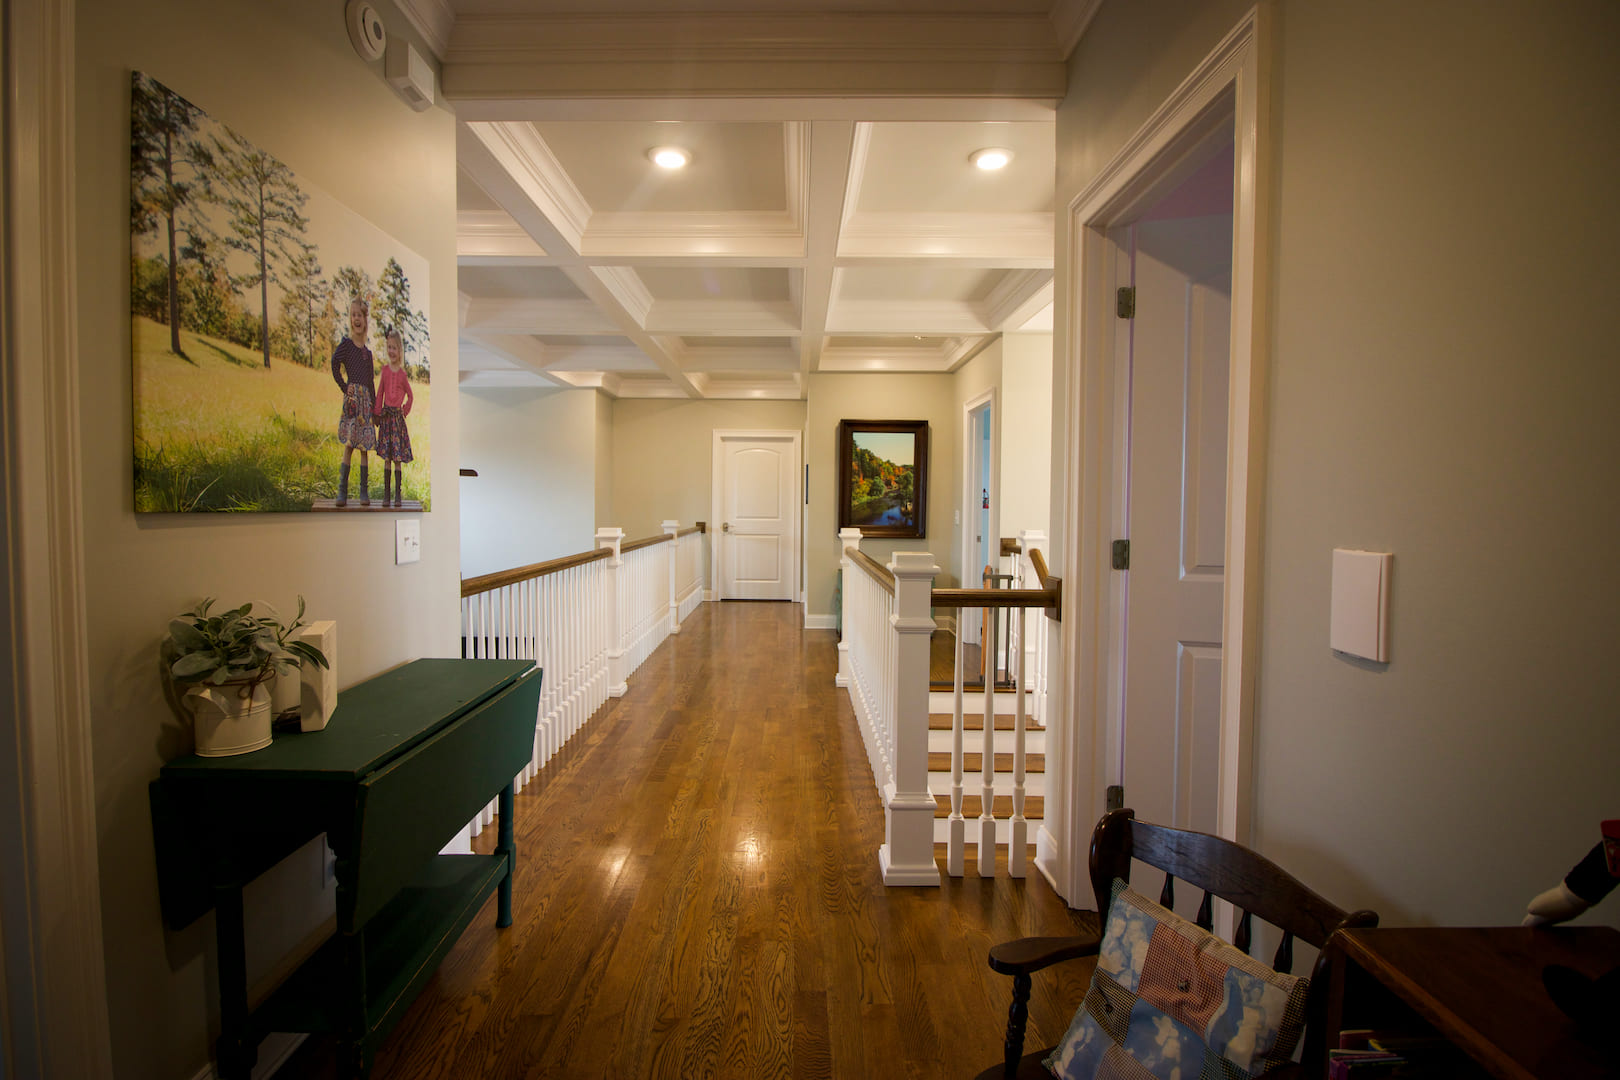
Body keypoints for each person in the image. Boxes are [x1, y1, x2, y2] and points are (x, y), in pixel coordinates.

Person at [331, 296, 376, 506]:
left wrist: (375, 409)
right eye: (353, 315)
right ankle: (342, 491)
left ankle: (363, 492)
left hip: (365, 403)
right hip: (352, 402)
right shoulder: (346, 345)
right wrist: (344, 386)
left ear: (366, 320)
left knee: (364, 447)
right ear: (351, 319)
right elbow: (334, 363)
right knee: (349, 445)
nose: (357, 319)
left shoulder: (367, 353)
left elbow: (371, 382)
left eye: (360, 315)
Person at [372, 327, 414, 508]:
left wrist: (404, 410)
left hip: (396, 420)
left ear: (400, 350)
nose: (391, 351)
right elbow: (380, 392)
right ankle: (386, 495)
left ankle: (397, 495)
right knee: (387, 458)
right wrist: (376, 413)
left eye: (394, 348)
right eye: (389, 347)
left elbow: (410, 395)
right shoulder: (385, 371)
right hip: (386, 419)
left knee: (397, 458)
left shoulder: (403, 375)